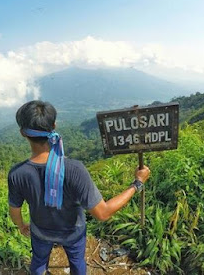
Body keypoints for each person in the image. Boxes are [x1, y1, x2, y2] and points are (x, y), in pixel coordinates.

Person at [8, 100, 151, 275]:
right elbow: (103, 213)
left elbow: (15, 211)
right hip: (72, 233)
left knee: (38, 262)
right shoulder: (75, 169)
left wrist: (22, 225)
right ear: (54, 126)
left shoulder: (17, 173)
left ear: (23, 133)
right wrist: (137, 183)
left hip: (40, 231)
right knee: (77, 262)